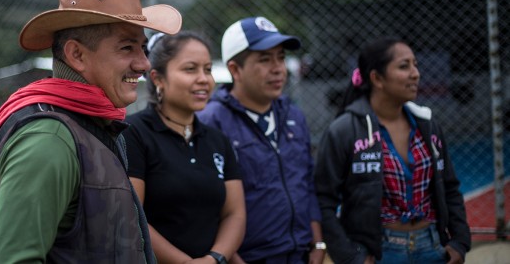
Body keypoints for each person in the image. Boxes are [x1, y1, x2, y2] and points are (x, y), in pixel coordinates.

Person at [0, 0, 182, 263]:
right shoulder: (49, 139)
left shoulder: (90, 124)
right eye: (127, 48)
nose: (144, 63)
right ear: (76, 54)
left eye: (142, 47)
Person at [314, 38, 471, 263]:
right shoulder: (345, 130)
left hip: (433, 247)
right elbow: (323, 200)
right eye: (404, 66)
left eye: (415, 65)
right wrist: (351, 257)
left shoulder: (427, 126)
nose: (415, 74)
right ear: (377, 78)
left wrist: (459, 242)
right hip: (380, 252)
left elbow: (450, 187)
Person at [198, 16, 325, 264]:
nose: (278, 68)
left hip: (301, 255)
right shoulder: (211, 122)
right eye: (265, 59)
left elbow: (306, 183)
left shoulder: (293, 114)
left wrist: (318, 243)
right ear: (235, 69)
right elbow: (204, 206)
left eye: (280, 57)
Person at [122, 31, 246, 264]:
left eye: (207, 69)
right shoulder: (133, 133)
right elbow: (132, 215)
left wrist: (215, 258)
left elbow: (234, 214)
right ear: (158, 78)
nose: (204, 79)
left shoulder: (217, 140)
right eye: (190, 69)